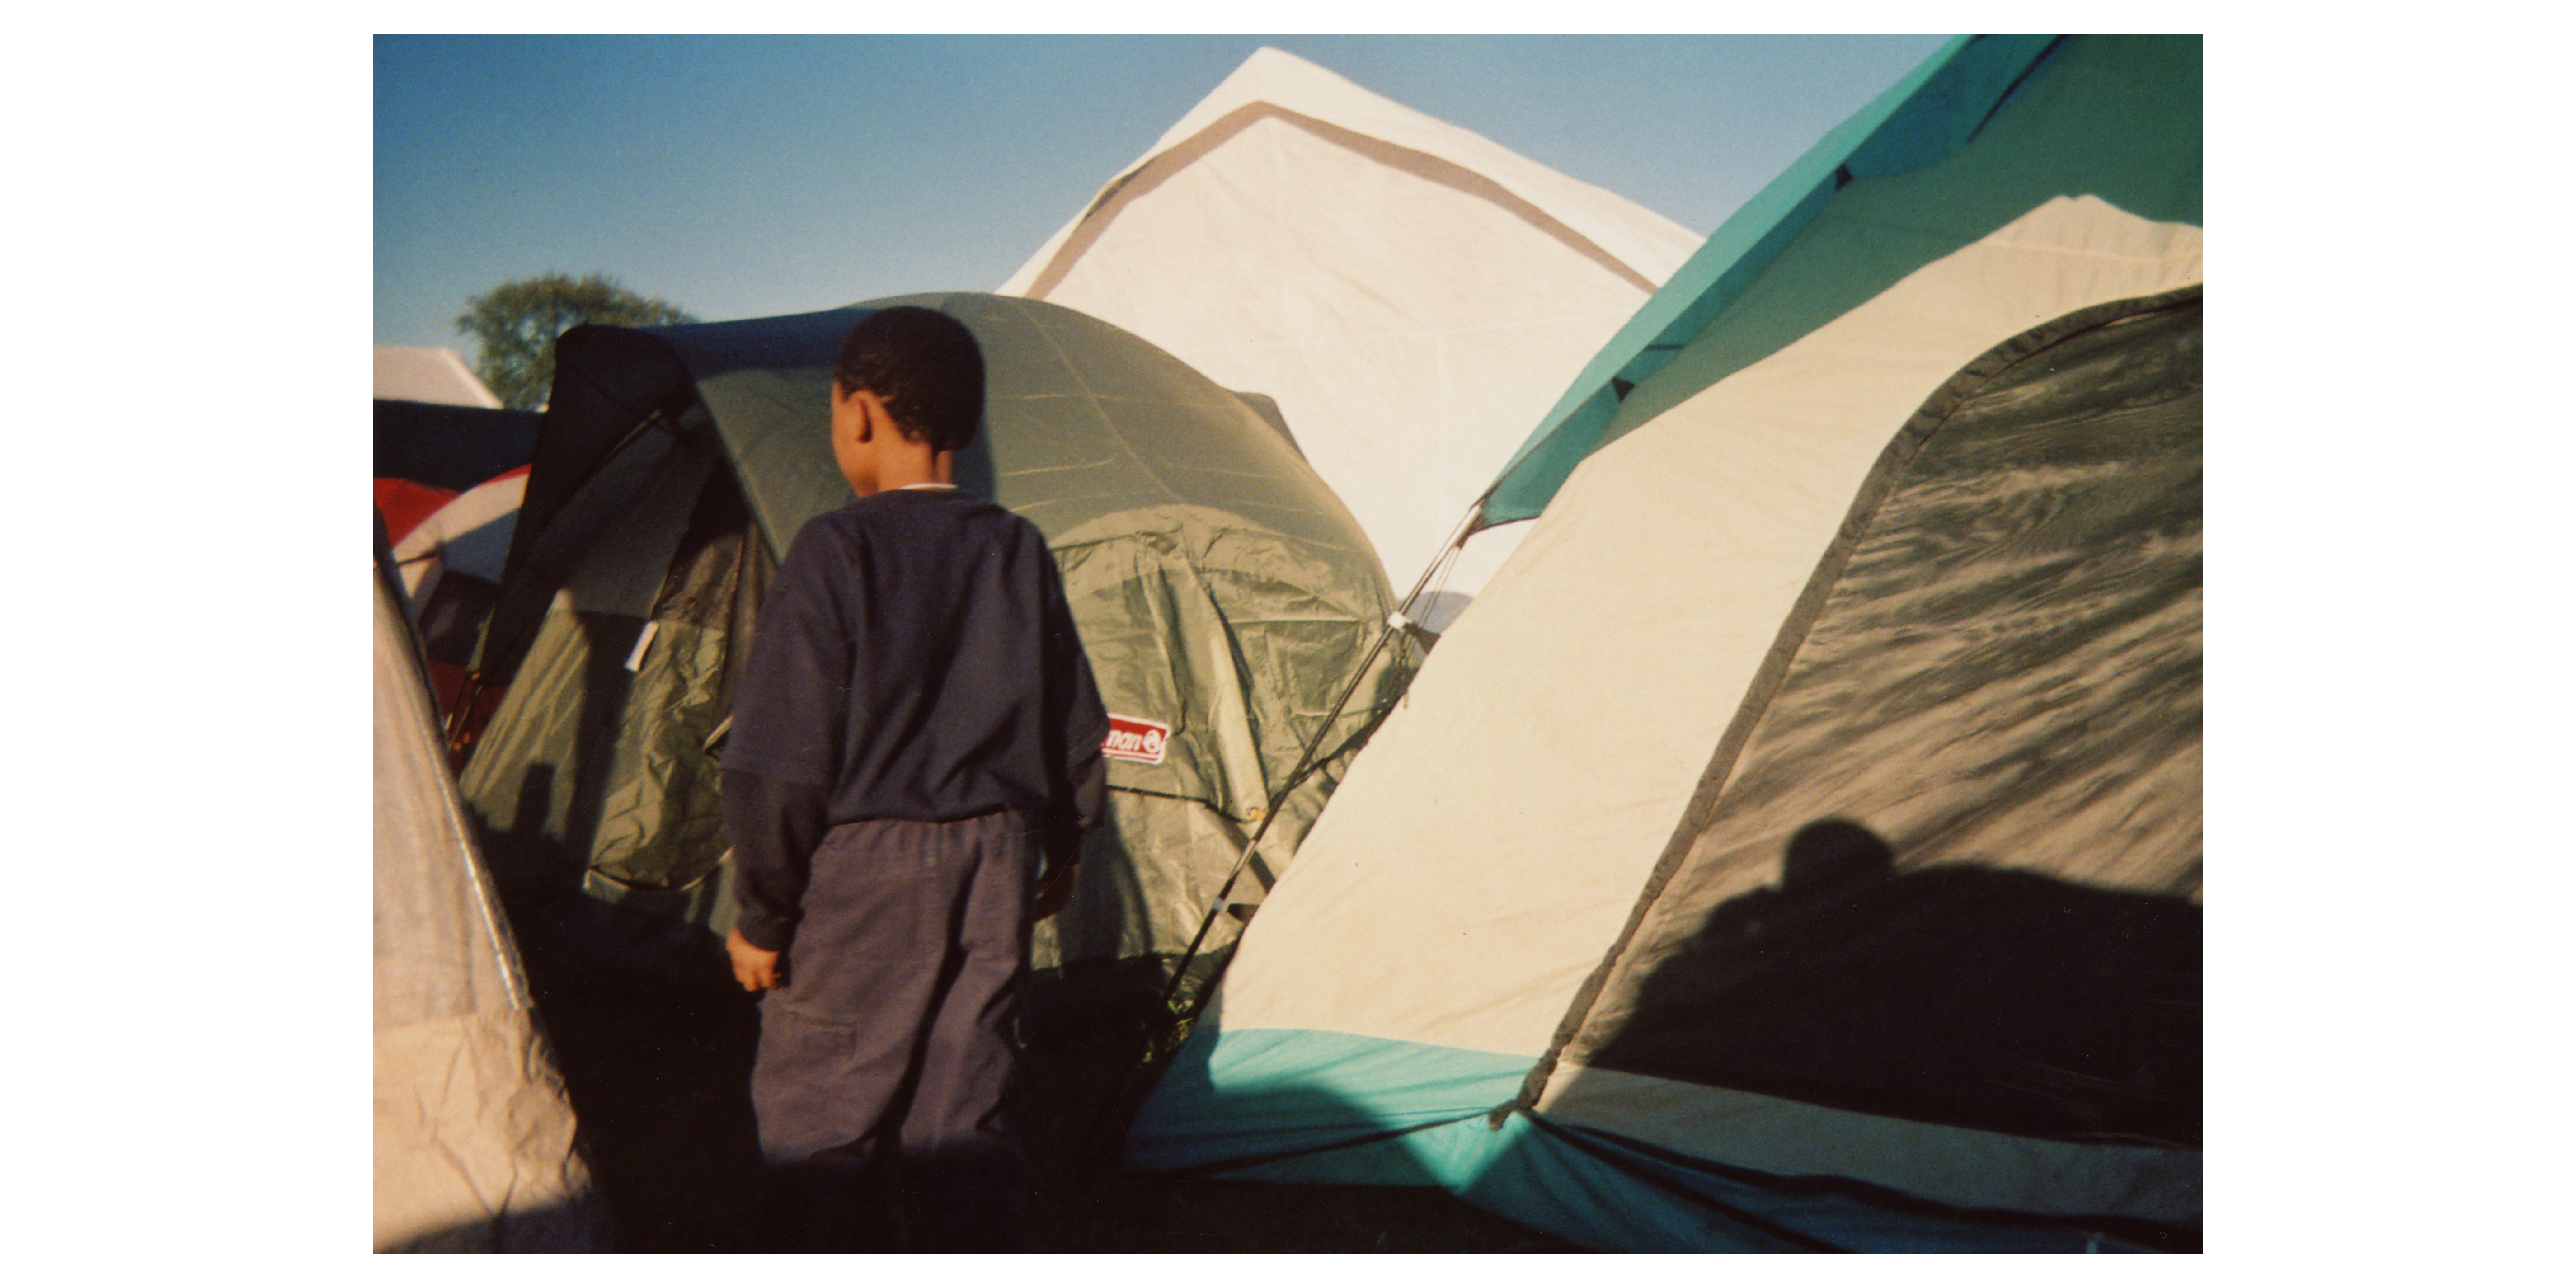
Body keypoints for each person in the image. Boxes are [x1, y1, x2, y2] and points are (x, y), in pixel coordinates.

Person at [717, 306, 1108, 1252]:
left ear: (855, 416)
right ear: (966, 428)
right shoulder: (1019, 549)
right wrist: (1061, 849)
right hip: (999, 863)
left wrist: (764, 915)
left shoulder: (834, 550)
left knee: (823, 1117)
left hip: (867, 876)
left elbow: (780, 760)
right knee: (964, 1121)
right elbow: (1074, 726)